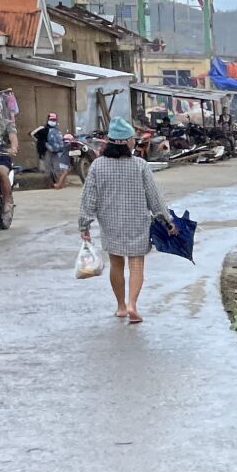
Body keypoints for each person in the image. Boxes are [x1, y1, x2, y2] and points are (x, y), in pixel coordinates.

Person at [78, 117, 174, 324]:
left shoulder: (97, 166)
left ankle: (121, 307)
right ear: (127, 142)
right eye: (132, 138)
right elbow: (154, 198)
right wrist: (166, 219)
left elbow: (89, 199)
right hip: (138, 222)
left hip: (110, 223)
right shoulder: (140, 165)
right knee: (137, 265)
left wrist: (84, 225)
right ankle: (132, 304)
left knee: (116, 264)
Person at [37, 111, 71, 190]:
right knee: (48, 169)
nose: (53, 121)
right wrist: (46, 148)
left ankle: (59, 184)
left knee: (57, 168)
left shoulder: (57, 131)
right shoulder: (44, 130)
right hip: (47, 152)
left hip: (57, 152)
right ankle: (49, 185)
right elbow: (40, 142)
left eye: (54, 120)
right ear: (48, 120)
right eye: (51, 120)